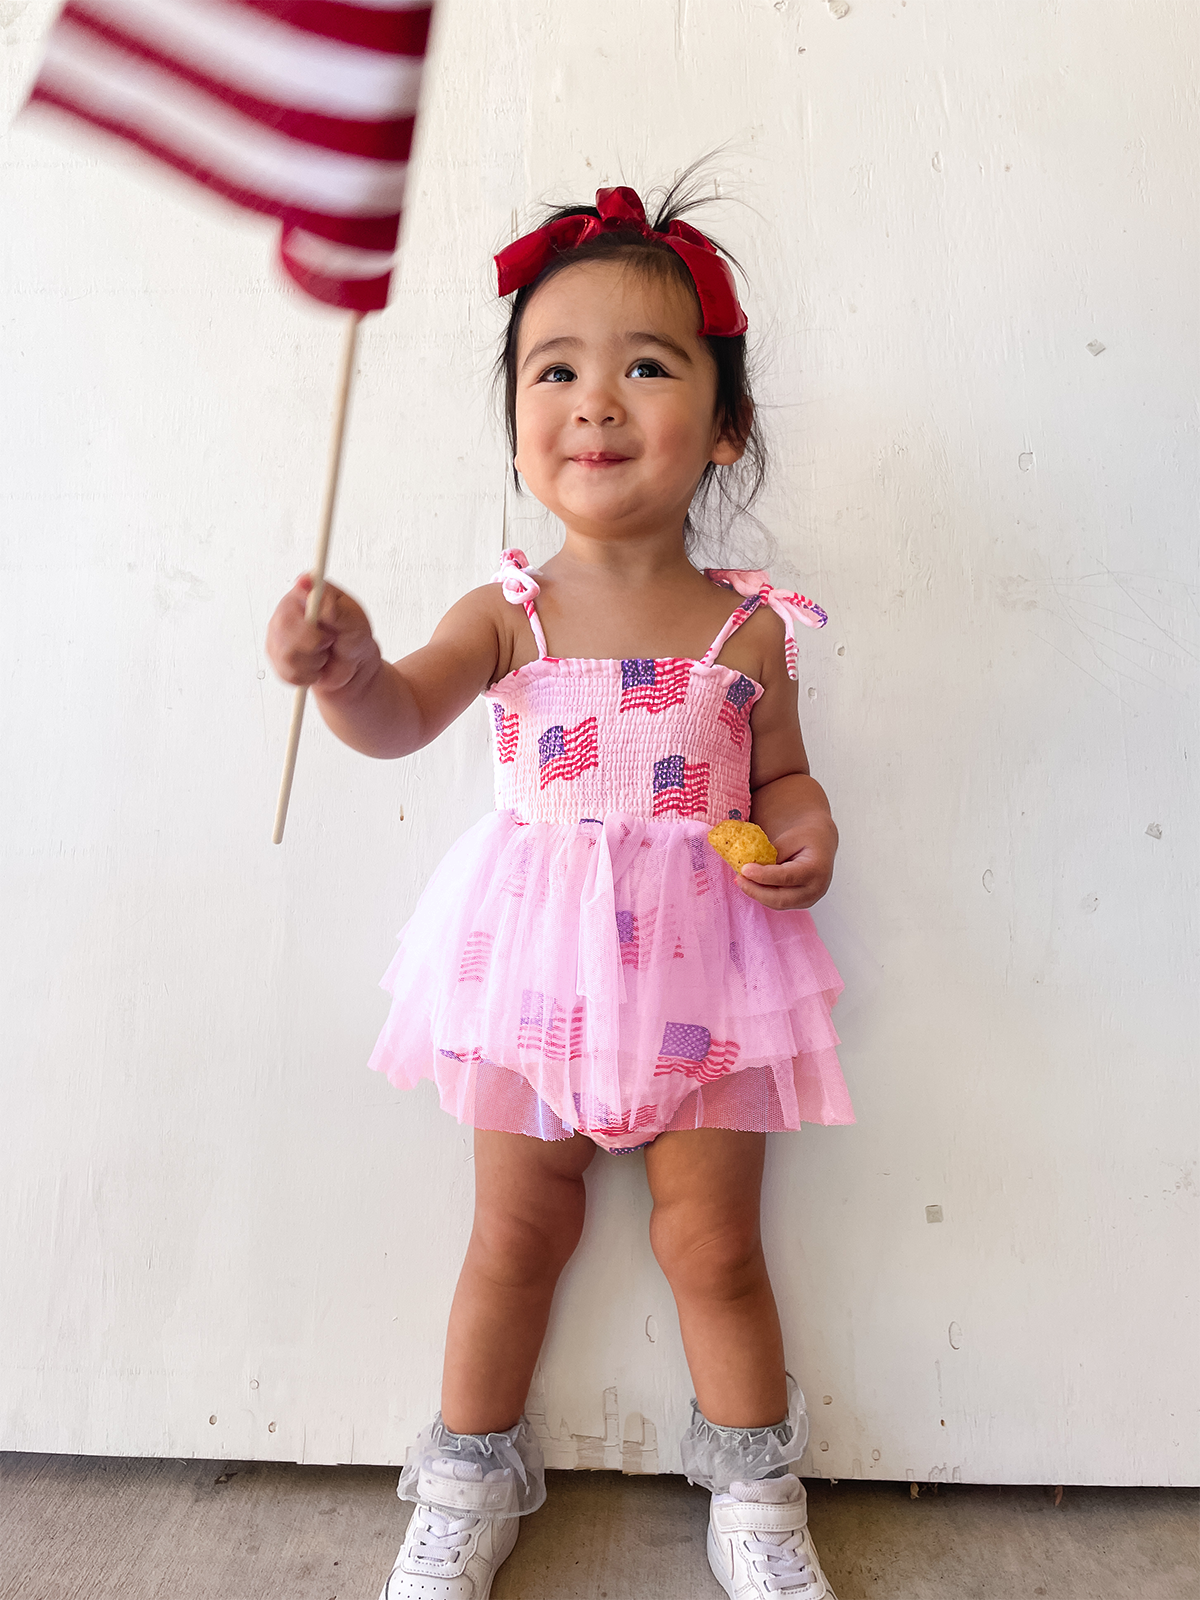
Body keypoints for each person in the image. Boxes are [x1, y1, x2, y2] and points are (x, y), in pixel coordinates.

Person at [267, 179, 854, 1600]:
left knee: (712, 1244)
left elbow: (782, 779)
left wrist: (808, 833)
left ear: (725, 427)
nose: (596, 401)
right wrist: (345, 671)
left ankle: (758, 1494)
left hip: (709, 978)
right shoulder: (507, 608)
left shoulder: (750, 630)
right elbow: (405, 715)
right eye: (557, 369)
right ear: (521, 419)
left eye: (647, 365)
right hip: (532, 972)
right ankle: (466, 1477)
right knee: (516, 1230)